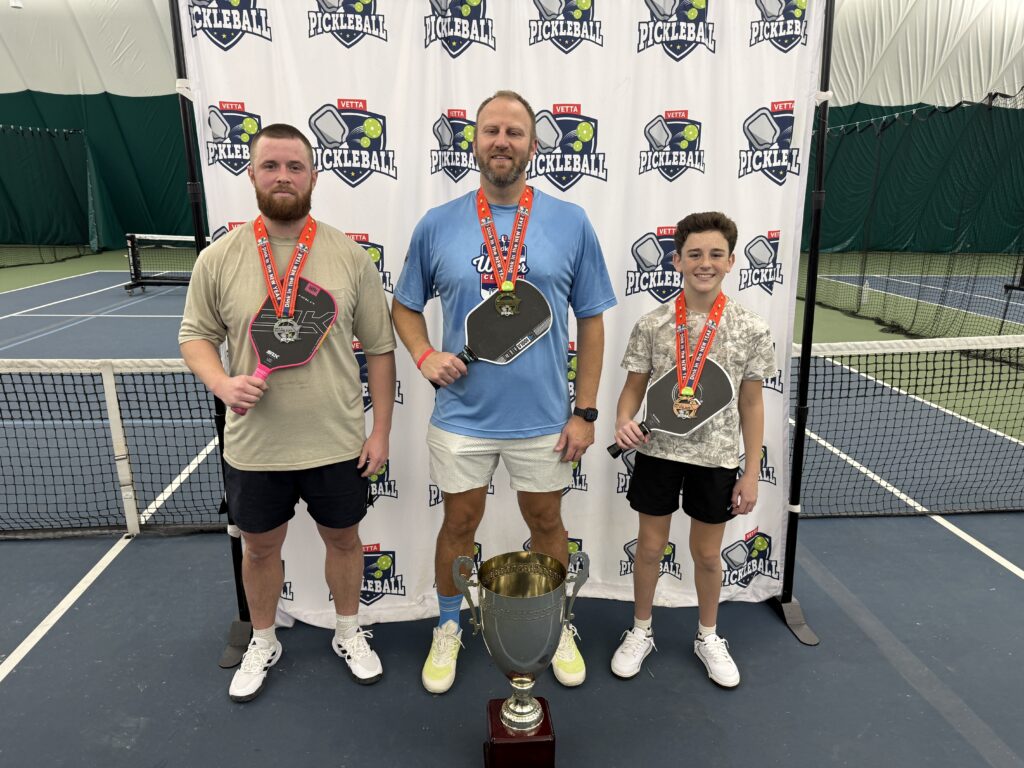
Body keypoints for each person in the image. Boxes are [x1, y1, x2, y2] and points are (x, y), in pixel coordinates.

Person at [392, 90, 616, 694]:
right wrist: (423, 354)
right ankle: (447, 625)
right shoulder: (438, 224)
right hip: (461, 418)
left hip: (545, 418)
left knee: (546, 522)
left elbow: (592, 319)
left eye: (514, 132)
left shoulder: (570, 222)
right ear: (474, 141)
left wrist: (586, 410)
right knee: (458, 524)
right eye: (491, 130)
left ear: (533, 146)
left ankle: (555, 618)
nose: (501, 141)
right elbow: (404, 307)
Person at [179, 123, 397, 702]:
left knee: (346, 543)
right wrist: (222, 382)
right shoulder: (219, 257)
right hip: (256, 447)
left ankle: (349, 630)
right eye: (271, 166)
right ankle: (264, 638)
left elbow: (379, 347)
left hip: (336, 442)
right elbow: (194, 336)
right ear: (251, 174)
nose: (283, 177)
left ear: (312, 177)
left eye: (294, 167)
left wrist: (380, 430)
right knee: (258, 549)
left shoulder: (349, 256)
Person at [610, 211, 775, 688]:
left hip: (718, 461)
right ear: (677, 261)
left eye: (715, 254)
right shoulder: (653, 324)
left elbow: (751, 403)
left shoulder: (749, 327)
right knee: (649, 547)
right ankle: (641, 630)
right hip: (658, 454)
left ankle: (708, 635)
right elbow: (632, 388)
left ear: (731, 262)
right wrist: (623, 420)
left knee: (706, 555)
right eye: (695, 254)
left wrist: (748, 471)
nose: (705, 263)